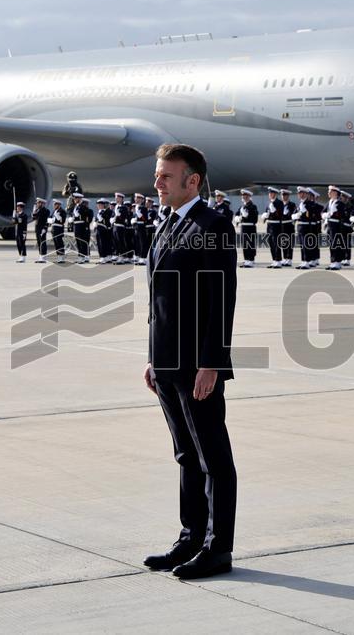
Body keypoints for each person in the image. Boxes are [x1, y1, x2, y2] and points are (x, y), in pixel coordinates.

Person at [143, 143, 237, 580]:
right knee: (186, 455)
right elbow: (159, 302)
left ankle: (218, 548)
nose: (157, 183)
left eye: (166, 176)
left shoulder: (212, 225)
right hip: (167, 364)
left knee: (213, 458)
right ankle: (191, 537)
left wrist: (212, 363)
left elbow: (222, 300)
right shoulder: (168, 223)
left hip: (197, 366)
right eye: (157, 175)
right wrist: (153, 359)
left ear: (192, 180)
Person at [323, 186, 346, 270]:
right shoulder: (329, 202)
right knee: (331, 244)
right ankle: (333, 261)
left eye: (330, 191)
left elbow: (342, 215)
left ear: (335, 193)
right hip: (329, 225)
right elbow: (323, 212)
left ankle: (337, 262)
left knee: (336, 244)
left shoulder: (340, 203)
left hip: (336, 226)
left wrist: (334, 213)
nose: (328, 193)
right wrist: (326, 215)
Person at [236, 188, 259, 268]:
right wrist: (238, 218)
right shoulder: (242, 206)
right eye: (243, 195)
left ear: (249, 196)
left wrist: (247, 215)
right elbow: (236, 214)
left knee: (250, 243)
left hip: (250, 227)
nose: (244, 197)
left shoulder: (253, 206)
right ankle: (246, 259)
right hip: (243, 227)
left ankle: (251, 259)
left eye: (245, 195)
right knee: (244, 244)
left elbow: (255, 219)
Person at [262, 187, 284, 268]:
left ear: (275, 194)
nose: (270, 194)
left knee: (276, 243)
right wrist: (265, 216)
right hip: (269, 226)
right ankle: (274, 260)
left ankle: (278, 261)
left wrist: (274, 210)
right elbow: (267, 213)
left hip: (276, 226)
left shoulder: (279, 203)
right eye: (269, 193)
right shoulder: (269, 203)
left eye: (272, 193)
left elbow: (280, 215)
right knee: (271, 243)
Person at [70, 193, 93, 264]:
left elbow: (86, 216)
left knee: (82, 242)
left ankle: (83, 257)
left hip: (81, 226)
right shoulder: (75, 207)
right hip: (76, 225)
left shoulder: (83, 207)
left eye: (76, 198)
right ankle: (80, 256)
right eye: (74, 198)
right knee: (78, 242)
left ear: (79, 199)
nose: (74, 200)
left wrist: (79, 213)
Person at [94, 199, 114, 263]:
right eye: (98, 205)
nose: (99, 206)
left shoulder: (107, 211)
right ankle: (102, 256)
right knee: (99, 243)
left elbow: (108, 220)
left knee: (104, 243)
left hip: (104, 229)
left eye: (100, 205)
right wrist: (95, 222)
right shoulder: (98, 212)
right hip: (98, 229)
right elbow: (97, 220)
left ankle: (104, 256)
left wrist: (102, 218)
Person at [280, 189, 296, 267]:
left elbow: (294, 214)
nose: (284, 197)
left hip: (289, 225)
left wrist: (288, 214)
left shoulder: (292, 204)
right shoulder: (280, 204)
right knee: (283, 243)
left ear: (288, 196)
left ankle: (289, 258)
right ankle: (285, 258)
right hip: (282, 225)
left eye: (285, 195)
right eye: (282, 195)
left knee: (289, 243)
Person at [32, 197, 50, 263]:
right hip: (37, 228)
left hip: (42, 229)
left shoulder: (45, 210)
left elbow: (47, 221)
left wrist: (45, 228)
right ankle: (40, 256)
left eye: (38, 203)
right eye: (37, 203)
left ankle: (43, 257)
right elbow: (34, 217)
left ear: (42, 204)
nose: (37, 204)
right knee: (39, 242)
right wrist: (34, 211)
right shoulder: (38, 210)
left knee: (43, 242)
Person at [50, 199, 67, 263]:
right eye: (54, 204)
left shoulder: (62, 211)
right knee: (56, 243)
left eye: (55, 204)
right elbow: (50, 218)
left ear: (59, 205)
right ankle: (58, 256)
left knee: (59, 243)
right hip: (53, 228)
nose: (54, 205)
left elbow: (62, 221)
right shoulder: (54, 211)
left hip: (59, 229)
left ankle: (62, 257)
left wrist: (57, 216)